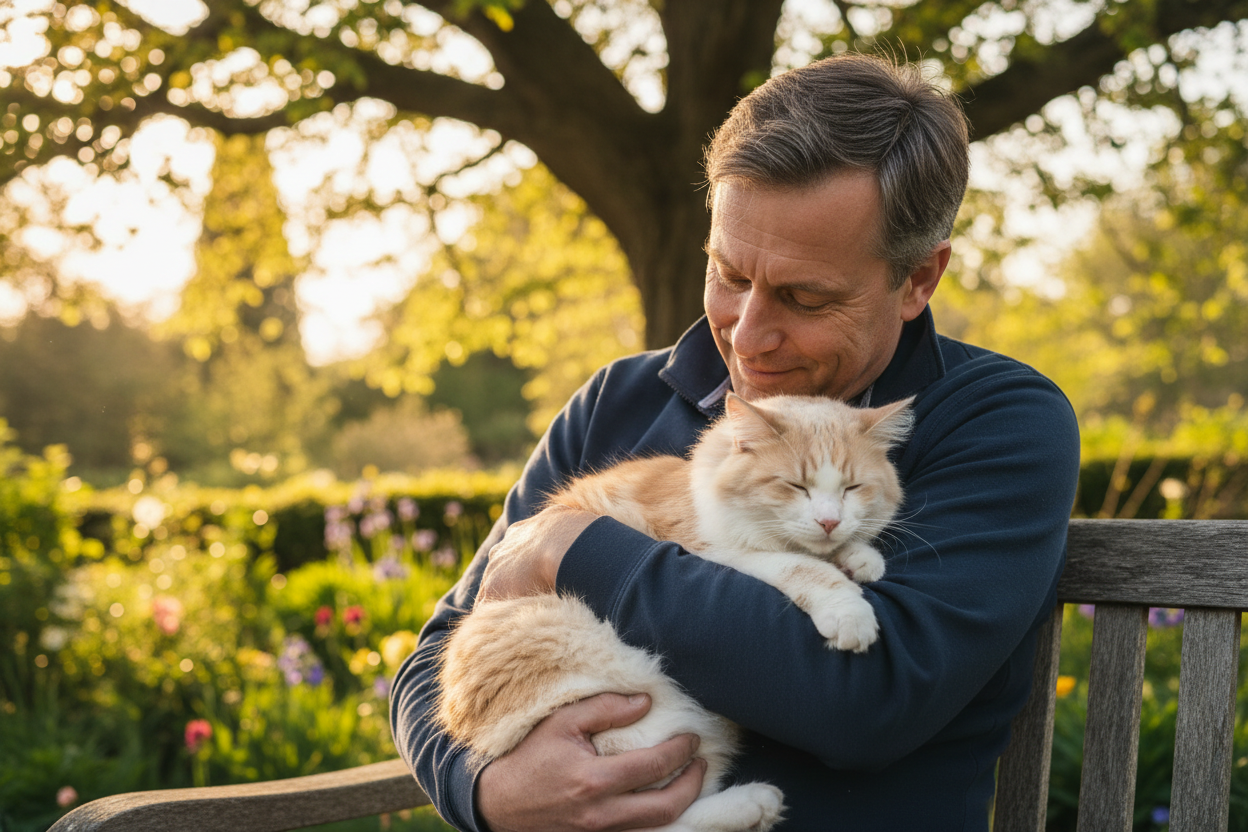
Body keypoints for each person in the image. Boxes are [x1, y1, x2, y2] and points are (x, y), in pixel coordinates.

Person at [390, 53, 1080, 831]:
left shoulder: (998, 422)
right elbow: (437, 654)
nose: (748, 337)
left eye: (804, 296)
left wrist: (577, 549)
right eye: (728, 273)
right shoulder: (619, 402)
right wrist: (483, 791)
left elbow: (868, 697)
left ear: (918, 279)